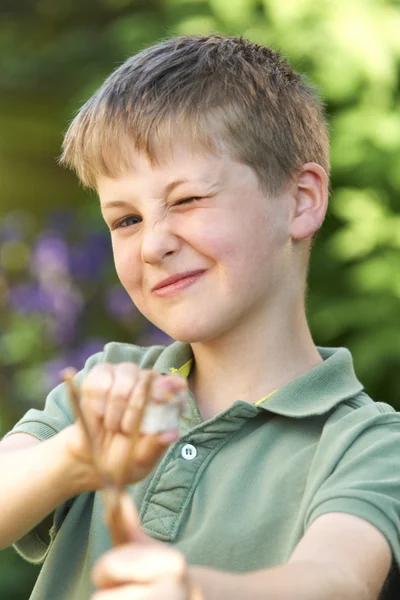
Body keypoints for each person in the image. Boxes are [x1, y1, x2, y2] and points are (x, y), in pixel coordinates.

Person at [1, 34, 399, 600]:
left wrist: (192, 590)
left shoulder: (369, 445)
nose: (152, 244)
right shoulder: (106, 388)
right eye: (126, 220)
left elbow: (334, 580)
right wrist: (74, 458)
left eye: (186, 200)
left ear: (301, 200)